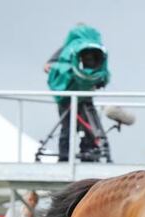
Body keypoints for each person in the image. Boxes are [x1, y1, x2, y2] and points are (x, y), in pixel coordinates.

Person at [45, 24, 111, 162]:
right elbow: (47, 67)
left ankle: (89, 155)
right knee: (67, 129)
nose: (88, 58)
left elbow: (100, 71)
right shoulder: (66, 51)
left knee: (89, 130)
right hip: (67, 98)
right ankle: (65, 158)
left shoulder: (93, 50)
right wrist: (66, 71)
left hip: (85, 96)